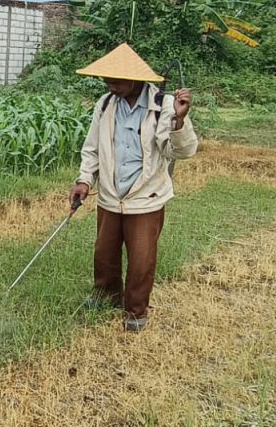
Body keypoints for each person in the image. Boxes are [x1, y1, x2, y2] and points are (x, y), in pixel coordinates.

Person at [68, 43, 198, 332]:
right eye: (107, 81)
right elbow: (92, 150)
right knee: (104, 253)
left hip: (145, 197)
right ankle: (106, 296)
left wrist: (180, 119)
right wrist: (83, 180)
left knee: (141, 259)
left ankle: (136, 311)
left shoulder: (163, 106)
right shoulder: (105, 105)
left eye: (116, 81)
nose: (110, 86)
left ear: (136, 80)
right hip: (111, 195)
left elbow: (182, 151)